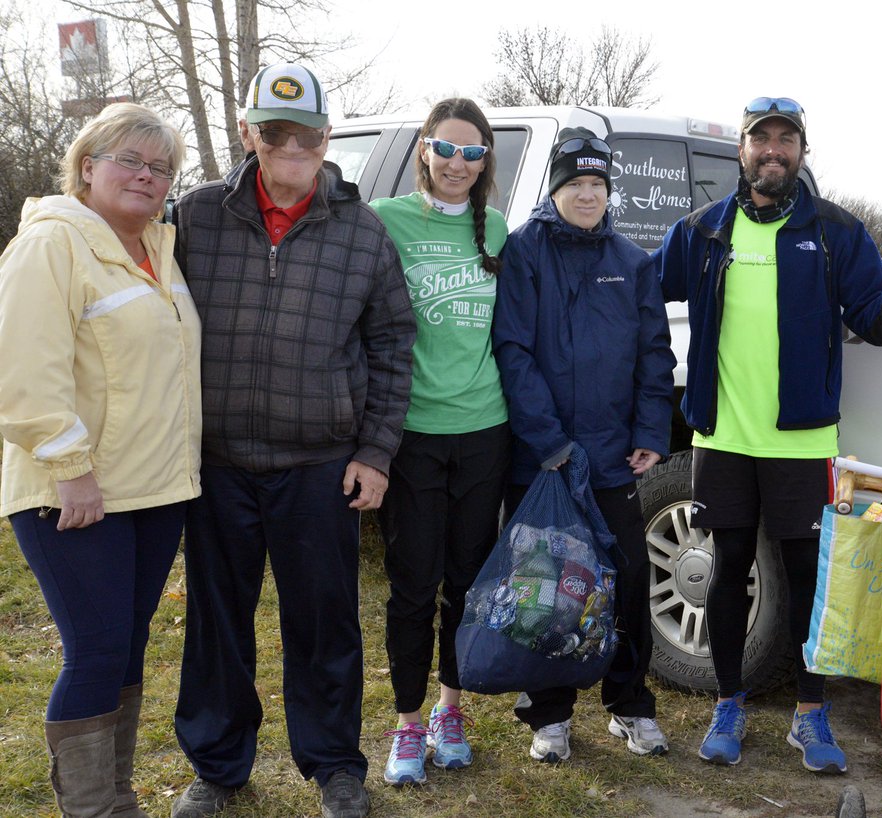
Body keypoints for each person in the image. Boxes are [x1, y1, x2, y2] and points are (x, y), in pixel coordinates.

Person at [169, 63, 415, 818]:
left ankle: (335, 765)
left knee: (325, 625)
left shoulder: (361, 229)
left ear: (325, 138)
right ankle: (218, 765)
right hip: (216, 464)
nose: (290, 147)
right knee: (216, 625)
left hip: (318, 465)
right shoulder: (196, 216)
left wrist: (375, 454)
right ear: (249, 134)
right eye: (274, 133)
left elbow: (393, 343)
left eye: (305, 134)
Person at [653, 97, 882, 771]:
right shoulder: (704, 230)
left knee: (806, 576)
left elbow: (878, 321)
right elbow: (640, 287)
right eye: (760, 139)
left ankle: (809, 712)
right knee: (725, 571)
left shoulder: (833, 231)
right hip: (724, 438)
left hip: (801, 440)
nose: (773, 150)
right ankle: (729, 703)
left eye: (786, 140)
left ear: (802, 152)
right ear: (741, 150)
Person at [0, 102, 199, 817]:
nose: (147, 177)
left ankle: (117, 796)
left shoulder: (159, 250)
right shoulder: (52, 245)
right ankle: (96, 810)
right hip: (75, 491)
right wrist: (70, 467)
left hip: (152, 489)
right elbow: (22, 369)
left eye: (161, 168)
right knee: (96, 647)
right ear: (88, 168)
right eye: (130, 162)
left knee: (127, 646)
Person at [492, 127, 675, 763]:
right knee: (545, 585)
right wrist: (550, 442)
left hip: (611, 458)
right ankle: (549, 715)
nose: (588, 194)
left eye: (598, 184)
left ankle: (629, 704)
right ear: (556, 188)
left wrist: (652, 434)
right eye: (576, 184)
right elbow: (512, 350)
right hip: (543, 461)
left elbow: (655, 355)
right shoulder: (525, 252)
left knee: (625, 580)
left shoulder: (631, 261)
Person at [367, 98, 510, 786]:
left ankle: (451, 711)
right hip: (413, 435)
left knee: (468, 582)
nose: (458, 163)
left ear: (487, 160)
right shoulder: (386, 222)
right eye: (445, 149)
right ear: (424, 149)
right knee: (412, 586)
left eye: (471, 152)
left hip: (485, 432)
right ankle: (406, 724)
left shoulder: (500, 230)